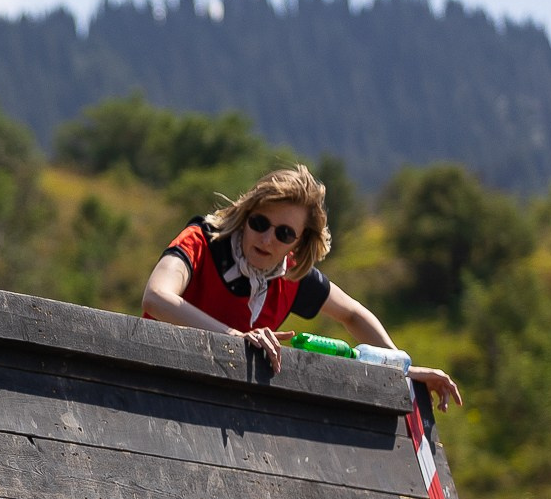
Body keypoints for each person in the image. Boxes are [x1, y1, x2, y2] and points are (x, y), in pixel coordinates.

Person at [141, 165, 462, 408]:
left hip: (218, 404)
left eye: (284, 234)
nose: (267, 239)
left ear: (299, 241)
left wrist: (399, 367)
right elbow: (156, 297)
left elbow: (352, 315)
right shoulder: (202, 241)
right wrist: (236, 338)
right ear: (246, 213)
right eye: (259, 223)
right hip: (152, 384)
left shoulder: (293, 276)